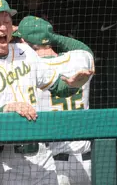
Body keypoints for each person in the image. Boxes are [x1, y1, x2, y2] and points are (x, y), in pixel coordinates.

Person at [0, 0, 94, 185]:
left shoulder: (25, 52)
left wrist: (74, 84)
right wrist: (6, 109)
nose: (2, 28)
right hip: (3, 162)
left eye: (6, 22)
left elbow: (56, 87)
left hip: (41, 158)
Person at [13, 16, 94, 185]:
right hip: (87, 164)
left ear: (23, 41)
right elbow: (82, 47)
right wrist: (51, 35)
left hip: (55, 166)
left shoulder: (29, 69)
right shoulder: (80, 58)